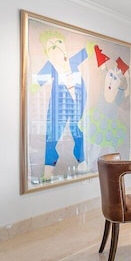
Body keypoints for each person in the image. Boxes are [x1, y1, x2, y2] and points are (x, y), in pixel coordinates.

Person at [36, 30, 88, 180]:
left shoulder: (73, 61)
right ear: (47, 53)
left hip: (77, 106)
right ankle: (48, 166)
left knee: (77, 132)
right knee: (52, 135)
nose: (56, 48)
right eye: (51, 47)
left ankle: (82, 160)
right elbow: (37, 81)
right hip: (58, 108)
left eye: (59, 43)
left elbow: (87, 51)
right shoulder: (50, 66)